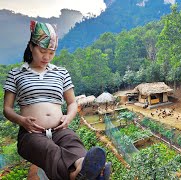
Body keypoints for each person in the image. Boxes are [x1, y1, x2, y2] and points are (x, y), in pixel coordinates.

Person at [3, 20, 111, 180]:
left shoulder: (61, 73)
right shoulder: (16, 74)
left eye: (51, 52)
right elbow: (7, 109)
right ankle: (80, 175)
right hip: (31, 134)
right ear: (31, 46)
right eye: (42, 51)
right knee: (49, 150)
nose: (47, 57)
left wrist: (68, 117)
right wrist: (22, 120)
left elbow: (72, 103)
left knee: (73, 142)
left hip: (59, 129)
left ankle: (83, 169)